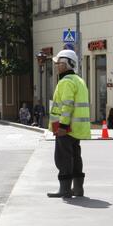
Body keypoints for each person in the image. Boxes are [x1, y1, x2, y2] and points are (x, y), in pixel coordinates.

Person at [47, 49, 90, 198]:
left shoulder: (65, 81)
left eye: (59, 63)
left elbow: (67, 105)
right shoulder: (79, 80)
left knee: (63, 158)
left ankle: (65, 189)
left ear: (66, 65)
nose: (57, 66)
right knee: (75, 156)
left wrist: (63, 127)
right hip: (77, 128)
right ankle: (78, 189)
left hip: (66, 127)